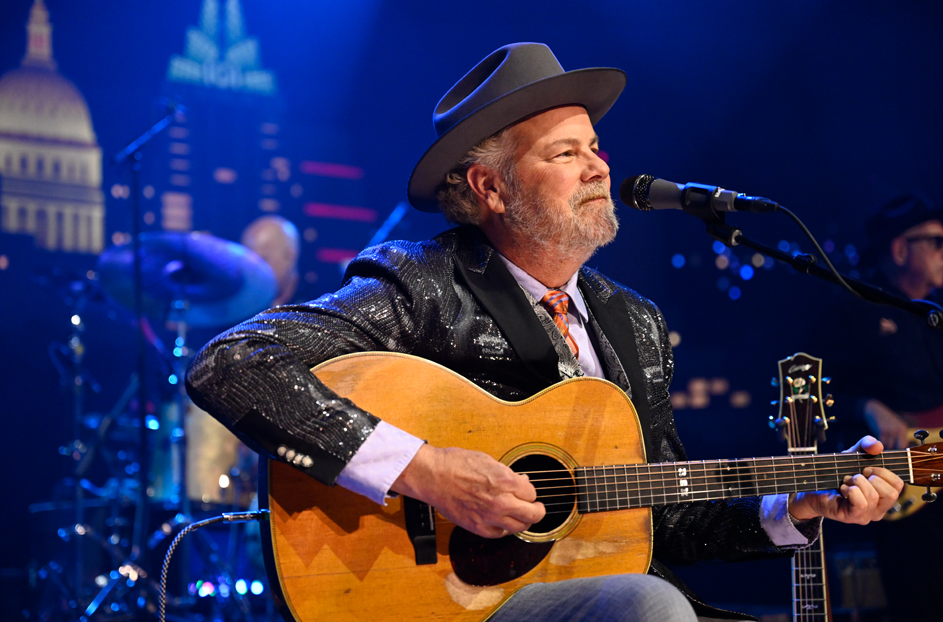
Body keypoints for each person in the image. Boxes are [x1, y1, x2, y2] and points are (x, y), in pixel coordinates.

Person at [185, 43, 903, 622]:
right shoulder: (423, 284)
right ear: (490, 188)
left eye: (595, 147)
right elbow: (233, 362)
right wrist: (428, 471)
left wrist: (795, 506)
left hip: (587, 596)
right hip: (449, 604)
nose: (599, 166)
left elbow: (668, 519)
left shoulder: (636, 323)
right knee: (651, 605)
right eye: (565, 154)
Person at [817, 193, 943, 617]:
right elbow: (815, 389)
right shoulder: (855, 307)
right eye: (936, 243)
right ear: (900, 248)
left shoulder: (937, 311)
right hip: (902, 473)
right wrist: (867, 405)